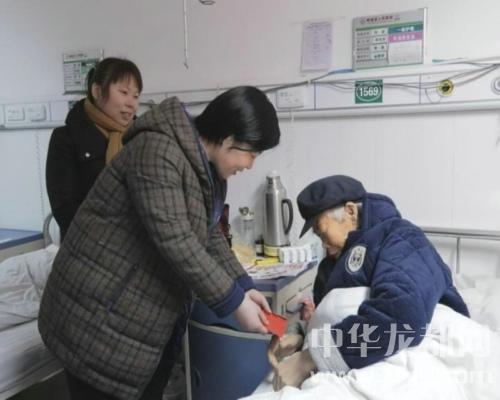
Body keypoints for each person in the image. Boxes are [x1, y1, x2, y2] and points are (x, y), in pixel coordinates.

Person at [38, 86, 281, 400]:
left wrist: (243, 286)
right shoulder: (157, 150)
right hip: (97, 317)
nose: (250, 165)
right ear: (228, 138)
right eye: (251, 153)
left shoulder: (204, 169)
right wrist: (234, 303)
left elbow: (207, 234)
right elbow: (175, 238)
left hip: (141, 320)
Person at [268, 175, 469, 390]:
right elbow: (326, 315)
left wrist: (310, 358)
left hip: (402, 351)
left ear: (350, 211)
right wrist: (301, 337)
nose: (323, 243)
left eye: (322, 230)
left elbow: (403, 316)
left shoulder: (401, 238)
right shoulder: (330, 265)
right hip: (348, 359)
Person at [46, 57, 143, 239]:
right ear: (97, 91)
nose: (131, 103)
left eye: (136, 96)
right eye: (124, 92)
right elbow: (65, 211)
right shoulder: (66, 139)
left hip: (137, 247)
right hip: (87, 247)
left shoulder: (141, 138)